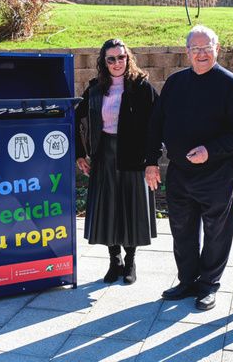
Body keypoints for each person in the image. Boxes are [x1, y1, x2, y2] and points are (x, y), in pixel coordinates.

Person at [145, 25, 233, 311]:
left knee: (217, 230)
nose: (201, 54)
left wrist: (210, 150)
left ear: (217, 49)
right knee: (182, 229)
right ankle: (187, 280)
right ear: (187, 51)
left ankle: (208, 285)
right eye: (196, 49)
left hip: (217, 173)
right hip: (179, 171)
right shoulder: (175, 83)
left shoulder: (230, 85)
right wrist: (151, 161)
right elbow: (156, 125)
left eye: (207, 48)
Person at [75, 38, 157, 285]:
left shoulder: (142, 87)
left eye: (121, 57)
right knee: (108, 208)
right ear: (104, 62)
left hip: (133, 156)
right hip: (104, 155)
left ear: (128, 58)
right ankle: (115, 261)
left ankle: (130, 262)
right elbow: (76, 120)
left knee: (131, 209)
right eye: (111, 58)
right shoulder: (95, 89)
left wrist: (152, 160)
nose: (117, 62)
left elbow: (156, 126)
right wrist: (80, 153)